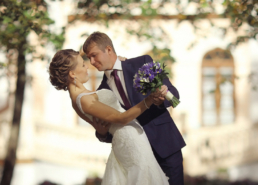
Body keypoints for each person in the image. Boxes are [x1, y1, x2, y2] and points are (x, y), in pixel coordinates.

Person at [48, 49, 170, 185]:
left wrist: (117, 65)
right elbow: (121, 118)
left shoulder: (81, 96)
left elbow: (101, 125)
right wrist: (150, 100)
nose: (87, 66)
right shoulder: (82, 100)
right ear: (72, 74)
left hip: (130, 138)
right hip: (130, 140)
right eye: (83, 64)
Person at [82, 31, 186, 185]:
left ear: (108, 50)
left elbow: (174, 95)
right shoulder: (102, 92)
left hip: (165, 146)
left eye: (94, 55)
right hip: (136, 158)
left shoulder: (141, 63)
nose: (91, 61)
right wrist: (102, 133)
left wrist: (163, 97)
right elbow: (113, 131)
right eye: (88, 57)